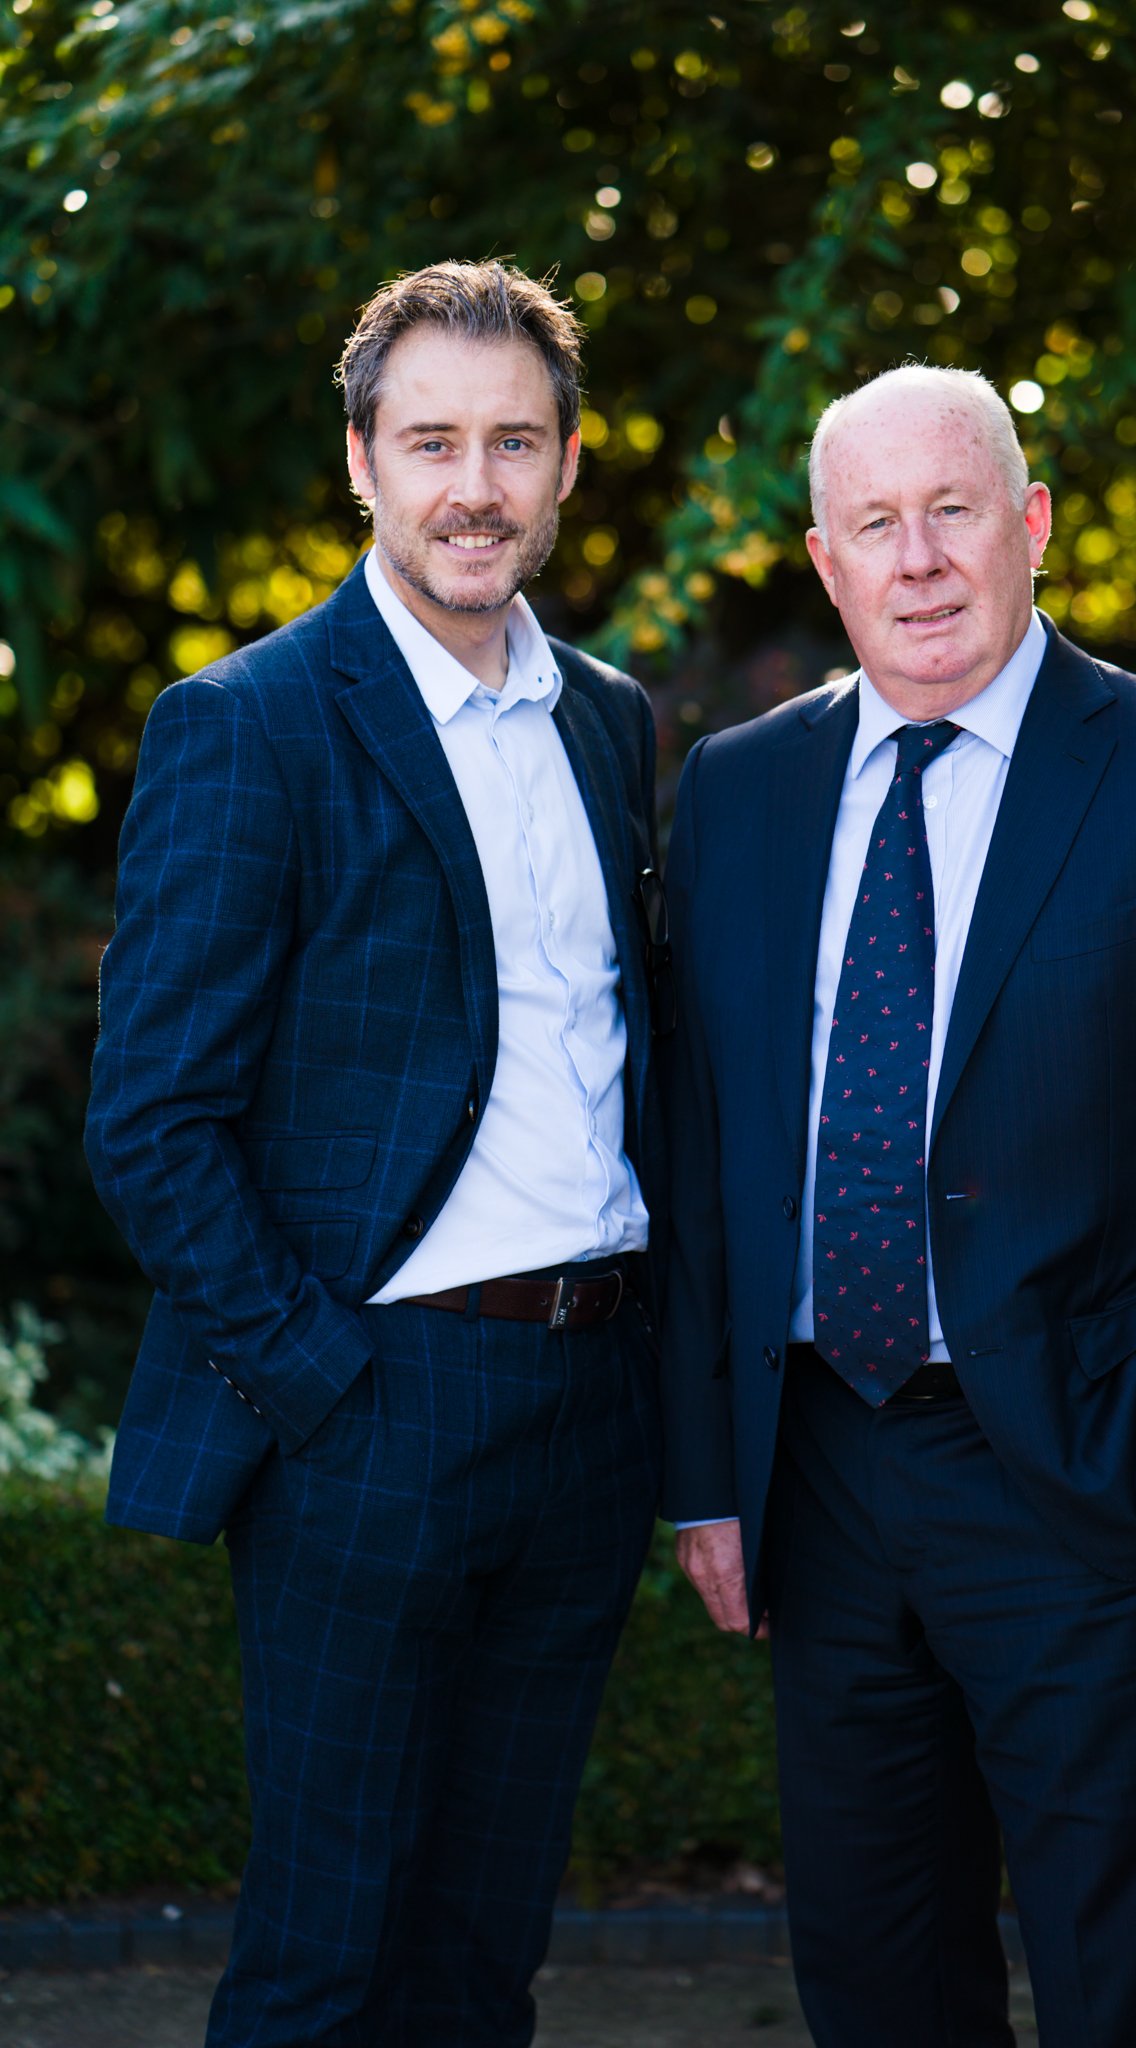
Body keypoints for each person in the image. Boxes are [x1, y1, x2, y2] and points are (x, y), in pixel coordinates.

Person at [661, 363, 1136, 2047]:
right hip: (817, 1471)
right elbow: (697, 1148)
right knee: (877, 1974)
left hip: (1072, 1461)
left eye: (951, 510)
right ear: (823, 562)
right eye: (873, 525)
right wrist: (706, 1474)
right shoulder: (740, 792)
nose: (916, 561)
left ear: (1029, 523)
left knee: (1127, 1982)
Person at [86, 259, 665, 2048]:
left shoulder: (614, 726)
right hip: (368, 1408)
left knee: (485, 1957)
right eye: (433, 442)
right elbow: (154, 1117)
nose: (473, 485)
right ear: (362, 460)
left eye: (513, 442)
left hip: (584, 1411)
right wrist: (321, 1381)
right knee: (326, 1955)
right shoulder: (247, 724)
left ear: (568, 466)